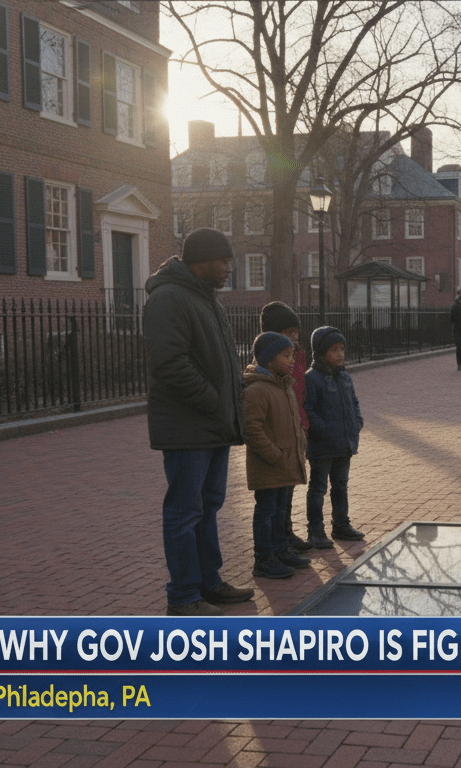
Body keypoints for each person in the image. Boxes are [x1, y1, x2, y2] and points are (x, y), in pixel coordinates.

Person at [143, 227, 254, 616]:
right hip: (188, 426)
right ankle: (184, 595)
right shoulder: (169, 298)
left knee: (208, 506)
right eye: (223, 261)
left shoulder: (206, 299)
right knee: (184, 512)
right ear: (200, 261)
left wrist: (233, 391)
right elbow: (169, 364)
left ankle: (209, 582)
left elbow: (216, 358)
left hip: (213, 424)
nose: (228, 268)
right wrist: (213, 400)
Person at [242, 331, 311, 580]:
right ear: (270, 359)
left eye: (292, 355)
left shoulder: (285, 386)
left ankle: (281, 549)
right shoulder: (257, 390)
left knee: (281, 510)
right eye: (286, 355)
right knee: (267, 511)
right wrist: (275, 455)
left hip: (285, 463)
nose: (293, 360)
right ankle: (264, 558)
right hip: (270, 465)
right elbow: (252, 430)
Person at [304, 326, 366, 546]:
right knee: (318, 488)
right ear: (321, 352)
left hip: (344, 442)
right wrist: (323, 429)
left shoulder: (345, 377)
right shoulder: (311, 378)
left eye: (342, 349)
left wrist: (357, 422)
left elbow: (354, 402)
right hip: (322, 446)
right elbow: (307, 409)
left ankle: (341, 524)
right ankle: (315, 530)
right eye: (334, 349)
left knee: (341, 485)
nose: (340, 354)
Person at [260, 301, 313, 554]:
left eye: (296, 331)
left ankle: (286, 531)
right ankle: (276, 538)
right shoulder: (268, 364)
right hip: (279, 429)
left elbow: (301, 390)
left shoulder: (298, 356)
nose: (294, 336)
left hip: (297, 425)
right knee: (276, 493)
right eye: (288, 332)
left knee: (291, 484)